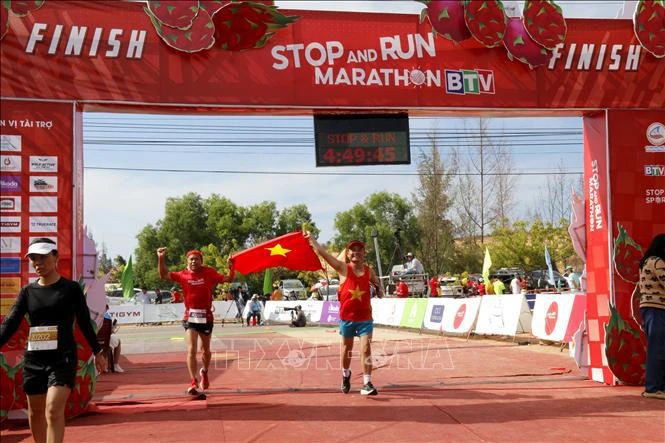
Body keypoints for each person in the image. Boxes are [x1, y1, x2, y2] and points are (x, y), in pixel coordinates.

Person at [0, 238, 106, 443]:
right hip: (34, 360)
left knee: (53, 410)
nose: (38, 263)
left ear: (55, 256)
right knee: (35, 413)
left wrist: (97, 351)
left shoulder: (71, 289)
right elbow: (10, 323)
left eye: (43, 257)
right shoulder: (27, 292)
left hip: (62, 359)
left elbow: (84, 322)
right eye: (33, 259)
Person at [305, 234, 383, 396]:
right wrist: (313, 241)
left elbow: (377, 285)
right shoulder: (342, 268)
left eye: (359, 250)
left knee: (366, 349)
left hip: (365, 319)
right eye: (352, 250)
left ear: (364, 253)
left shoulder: (369, 271)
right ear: (347, 254)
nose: (356, 252)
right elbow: (324, 255)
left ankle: (367, 383)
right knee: (347, 349)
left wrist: (379, 289)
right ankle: (345, 375)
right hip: (347, 318)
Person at [157, 247, 234, 395]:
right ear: (187, 262)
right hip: (190, 318)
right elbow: (163, 275)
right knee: (191, 349)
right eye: (191, 259)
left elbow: (229, 279)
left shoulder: (209, 273)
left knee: (205, 351)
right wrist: (161, 258)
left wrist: (232, 267)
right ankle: (193, 381)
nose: (194, 261)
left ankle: (204, 371)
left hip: (206, 317)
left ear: (201, 261)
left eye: (196, 259)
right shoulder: (183, 275)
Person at [638, 233, 665, 400]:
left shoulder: (648, 261)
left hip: (652, 309)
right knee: (658, 349)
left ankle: (657, 386)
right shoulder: (658, 262)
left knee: (659, 348)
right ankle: (653, 387)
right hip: (657, 309)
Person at [103, 305, 124, 373]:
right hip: (104, 340)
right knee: (118, 341)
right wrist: (113, 329)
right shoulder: (107, 316)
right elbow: (110, 331)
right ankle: (115, 365)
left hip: (92, 339)